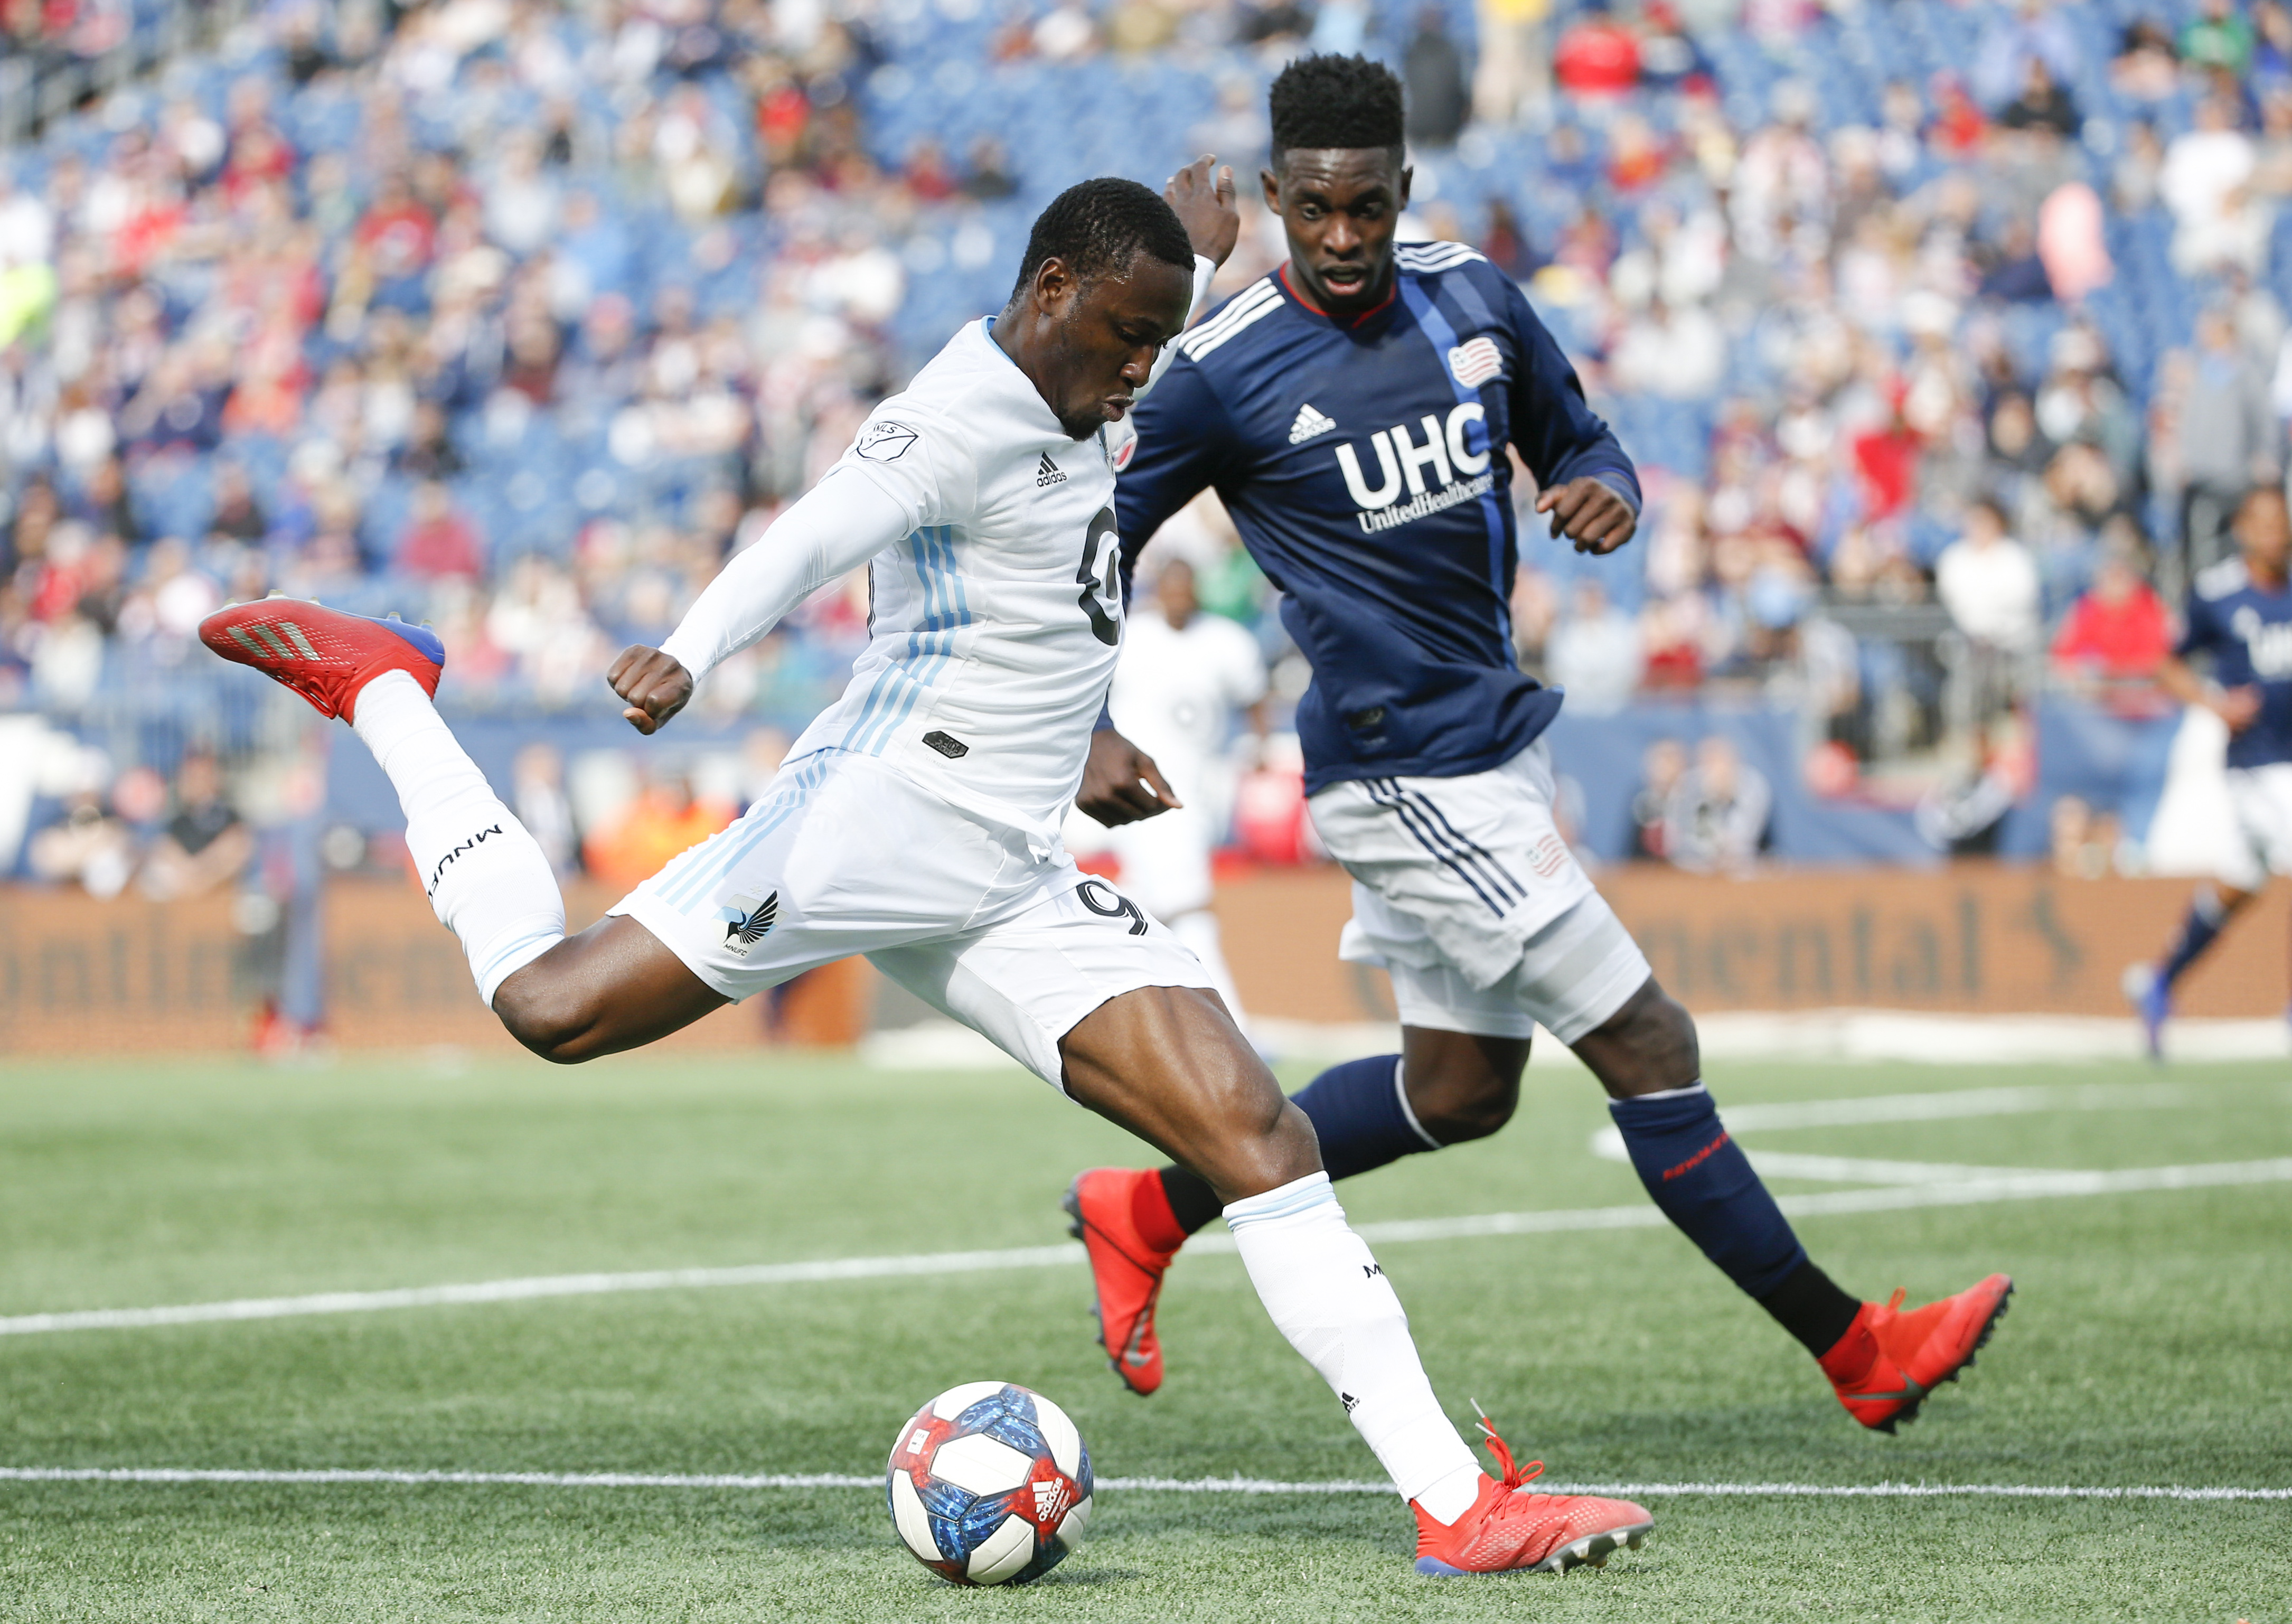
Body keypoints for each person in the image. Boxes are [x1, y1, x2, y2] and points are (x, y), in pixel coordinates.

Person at [201, 165, 1654, 1579]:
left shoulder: (1093, 336)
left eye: (1163, 337)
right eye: (1128, 336)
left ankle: (1458, 1505)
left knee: (1253, 1127)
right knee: (546, 1005)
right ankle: (385, 688)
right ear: (1049, 294)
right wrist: (689, 654)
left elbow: (1111, 349)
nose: (1144, 371)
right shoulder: (956, 415)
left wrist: (1194, 262)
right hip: (872, 825)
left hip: (1006, 866)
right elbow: (816, 531)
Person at [1066, 54, 2009, 1435]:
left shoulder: (1473, 300)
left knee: (1459, 1090)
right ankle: (1856, 1346)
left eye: (1367, 209)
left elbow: (1588, 438)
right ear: (1273, 197)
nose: (1340, 239)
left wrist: (1597, 486)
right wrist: (1083, 713)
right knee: (1642, 1033)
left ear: (1405, 190)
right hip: (1401, 769)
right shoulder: (1219, 371)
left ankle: (1145, 1206)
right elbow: (1085, 541)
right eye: (1314, 210)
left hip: (1489, 747)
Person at [2127, 486, 2292, 1058]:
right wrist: (2213, 704)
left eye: (2282, 521)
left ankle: (2159, 981)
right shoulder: (2217, 595)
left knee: (2238, 885)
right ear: (2244, 529)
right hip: (2256, 764)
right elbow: (2165, 664)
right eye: (2264, 522)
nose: (2275, 532)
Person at [1090, 553, 1267, 1022]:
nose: (1178, 595)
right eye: (1170, 586)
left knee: (1145, 902)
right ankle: (1235, 1028)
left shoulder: (1226, 642)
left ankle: (1118, 1010)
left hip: (1204, 789)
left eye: (1186, 586)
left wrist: (1258, 753)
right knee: (1189, 908)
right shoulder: (1133, 639)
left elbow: (1255, 701)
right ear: (1158, 590)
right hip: (1144, 790)